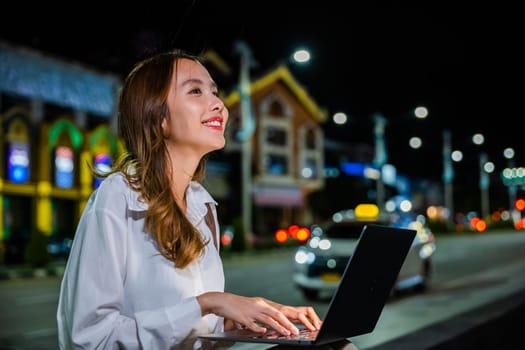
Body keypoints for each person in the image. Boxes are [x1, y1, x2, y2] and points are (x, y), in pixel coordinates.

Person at [56, 49, 322, 349]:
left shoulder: (202, 205)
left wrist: (253, 321)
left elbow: (197, 331)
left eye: (215, 92)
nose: (219, 105)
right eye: (196, 91)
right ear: (158, 117)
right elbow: (90, 339)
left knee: (333, 345)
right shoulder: (118, 196)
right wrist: (208, 303)